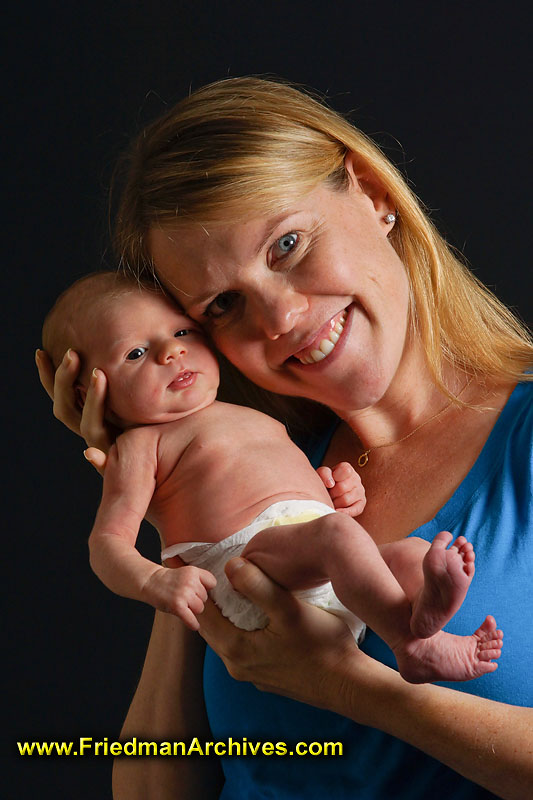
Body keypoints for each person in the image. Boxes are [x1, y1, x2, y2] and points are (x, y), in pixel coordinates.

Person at [36, 77, 533, 799]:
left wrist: (354, 688)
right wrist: (180, 519)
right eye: (224, 304)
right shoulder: (280, 480)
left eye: (288, 245)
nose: (279, 319)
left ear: (371, 193)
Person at [42, 271, 502, 685]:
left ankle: (422, 611)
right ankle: (413, 647)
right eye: (137, 353)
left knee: (410, 554)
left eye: (182, 331)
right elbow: (107, 544)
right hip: (245, 573)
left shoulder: (249, 416)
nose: (172, 350)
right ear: (88, 394)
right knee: (338, 537)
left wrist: (334, 491)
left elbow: (285, 496)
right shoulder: (139, 447)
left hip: (310, 564)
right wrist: (152, 582)